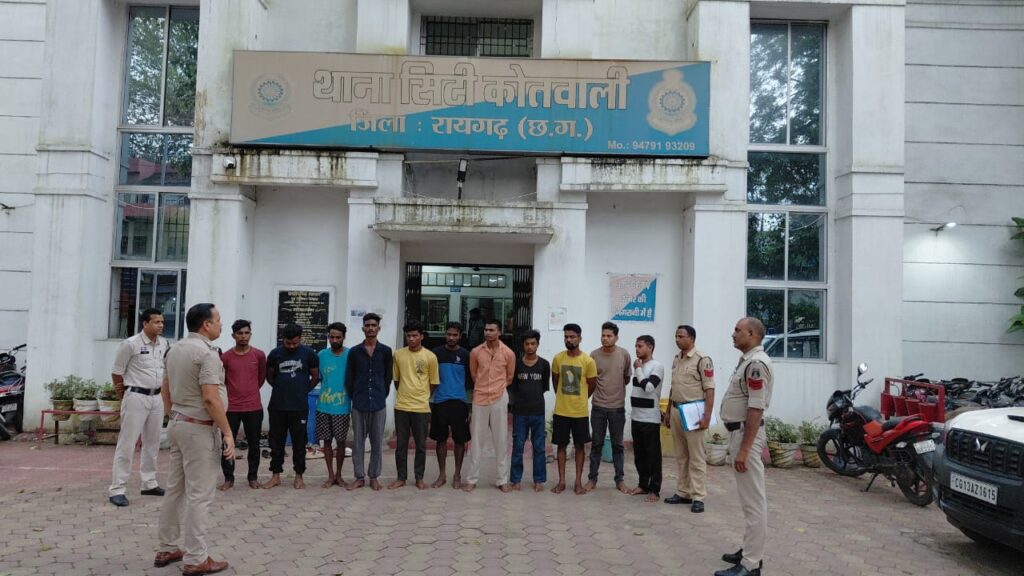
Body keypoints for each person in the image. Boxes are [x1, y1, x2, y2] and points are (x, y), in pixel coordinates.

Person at [154, 303, 232, 575]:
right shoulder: (206, 354)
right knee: (200, 494)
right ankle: (196, 557)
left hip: (178, 424)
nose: (221, 325)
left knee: (175, 488)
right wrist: (227, 431)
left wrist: (173, 416)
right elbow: (210, 398)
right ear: (206, 325)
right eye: (218, 320)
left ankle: (167, 547)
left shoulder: (174, 349)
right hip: (199, 429)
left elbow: (165, 390)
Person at [716, 317, 774, 576]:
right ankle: (750, 550)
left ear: (752, 334)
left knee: (754, 502)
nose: (733, 334)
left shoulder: (756, 364)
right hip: (739, 434)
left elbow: (755, 408)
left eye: (738, 330)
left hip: (746, 436)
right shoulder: (748, 361)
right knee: (748, 500)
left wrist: (744, 449)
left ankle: (751, 564)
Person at [108, 308, 169, 507]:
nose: (160, 325)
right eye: (156, 322)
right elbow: (117, 372)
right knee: (127, 444)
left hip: (156, 397)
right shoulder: (130, 344)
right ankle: (117, 488)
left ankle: (149, 482)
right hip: (135, 396)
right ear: (145, 324)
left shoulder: (164, 343)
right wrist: (124, 395)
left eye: (162, 322)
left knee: (153, 442)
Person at [664, 325, 716, 513]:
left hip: (694, 412)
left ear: (692, 338)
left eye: (681, 336)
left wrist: (707, 417)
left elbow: (710, 389)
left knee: (696, 456)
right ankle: (683, 492)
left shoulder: (702, 360)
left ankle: (698, 496)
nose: (677, 339)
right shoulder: (676, 359)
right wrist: (668, 411)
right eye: (676, 336)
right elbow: (674, 386)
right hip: (677, 410)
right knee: (681, 456)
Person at [263, 323, 320, 490]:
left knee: (299, 443)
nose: (292, 346)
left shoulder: (309, 354)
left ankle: (299, 476)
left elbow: (315, 376)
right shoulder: (275, 354)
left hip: (299, 407)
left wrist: (302, 390)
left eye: (295, 343)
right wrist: (282, 388)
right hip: (277, 406)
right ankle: (275, 476)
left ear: (300, 339)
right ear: (283, 339)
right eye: (288, 343)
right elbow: (270, 376)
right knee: (276, 442)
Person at [464, 318, 516, 493]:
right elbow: (473, 375)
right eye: (486, 330)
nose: (487, 332)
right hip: (479, 398)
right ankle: (472, 479)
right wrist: (484, 387)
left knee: (501, 440)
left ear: (499, 332)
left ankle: (502, 480)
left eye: (492, 330)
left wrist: (497, 388)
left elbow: (510, 377)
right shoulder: (476, 352)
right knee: (476, 441)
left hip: (499, 397)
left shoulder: (508, 353)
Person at [389, 320, 439, 490]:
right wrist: (405, 393)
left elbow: (434, 382)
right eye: (408, 336)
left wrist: (423, 396)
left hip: (421, 408)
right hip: (401, 406)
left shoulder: (430, 357)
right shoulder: (398, 355)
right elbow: (396, 380)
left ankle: (419, 478)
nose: (411, 339)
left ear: (421, 336)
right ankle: (401, 478)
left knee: (421, 445)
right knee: (401, 445)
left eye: (415, 335)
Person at [218, 319, 267, 491]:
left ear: (250, 334)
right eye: (240, 333)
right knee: (227, 443)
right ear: (233, 335)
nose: (243, 336)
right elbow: (222, 381)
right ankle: (228, 478)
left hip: (253, 406)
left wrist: (250, 391)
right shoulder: (225, 357)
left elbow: (261, 378)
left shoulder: (259, 355)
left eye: (246, 333)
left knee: (254, 444)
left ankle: (252, 477)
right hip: (231, 408)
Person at [346, 313, 392, 491]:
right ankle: (359, 477)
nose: (371, 328)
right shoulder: (354, 352)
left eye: (374, 325)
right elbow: (349, 378)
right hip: (359, 403)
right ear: (363, 328)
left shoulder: (385, 351)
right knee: (358, 442)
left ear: (378, 328)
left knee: (377, 442)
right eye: (367, 325)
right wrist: (356, 395)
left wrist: (381, 394)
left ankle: (374, 476)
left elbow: (387, 377)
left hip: (378, 403)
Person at [551, 323, 598, 495]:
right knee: (561, 446)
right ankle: (562, 481)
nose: (568, 339)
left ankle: (578, 482)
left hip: (580, 412)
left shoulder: (588, 361)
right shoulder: (558, 359)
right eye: (566, 337)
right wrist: (564, 398)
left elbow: (592, 384)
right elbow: (556, 382)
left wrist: (581, 399)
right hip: (561, 411)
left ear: (580, 338)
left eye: (572, 336)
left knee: (580, 446)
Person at [586, 321, 632, 493]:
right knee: (596, 444)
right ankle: (592, 479)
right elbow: (590, 380)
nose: (605, 338)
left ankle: (619, 480)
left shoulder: (624, 354)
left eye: (609, 336)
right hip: (598, 406)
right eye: (603, 335)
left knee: (617, 445)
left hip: (617, 408)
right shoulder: (593, 355)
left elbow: (626, 378)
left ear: (616, 337)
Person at [430, 321, 472, 489]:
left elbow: (471, 382)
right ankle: (442, 475)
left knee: (459, 440)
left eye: (455, 335)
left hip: (459, 402)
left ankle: (457, 474)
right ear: (445, 334)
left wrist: (469, 407)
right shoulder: (435, 353)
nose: (451, 338)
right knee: (440, 440)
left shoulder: (466, 355)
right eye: (449, 334)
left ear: (460, 336)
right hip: (440, 401)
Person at [509, 329, 549, 492]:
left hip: (538, 411)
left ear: (538, 345)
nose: (530, 347)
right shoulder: (516, 364)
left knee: (539, 447)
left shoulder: (544, 364)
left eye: (533, 344)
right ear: (523, 345)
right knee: (518, 447)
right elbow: (513, 387)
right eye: (527, 344)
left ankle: (539, 480)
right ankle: (516, 480)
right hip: (520, 412)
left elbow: (544, 387)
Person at [628, 335, 665, 502]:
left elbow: (649, 388)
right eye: (636, 346)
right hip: (636, 417)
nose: (637, 349)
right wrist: (638, 369)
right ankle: (643, 485)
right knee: (639, 455)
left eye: (640, 346)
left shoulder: (657, 366)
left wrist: (637, 369)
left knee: (653, 456)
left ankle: (655, 489)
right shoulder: (640, 366)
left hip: (650, 419)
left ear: (650, 347)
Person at [316, 322, 351, 488]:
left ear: (344, 337)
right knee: (327, 441)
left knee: (341, 441)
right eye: (332, 337)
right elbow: (318, 377)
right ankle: (330, 476)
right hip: (323, 406)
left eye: (338, 337)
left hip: (342, 406)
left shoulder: (350, 355)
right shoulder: (321, 355)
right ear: (328, 337)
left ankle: (339, 475)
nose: (335, 340)